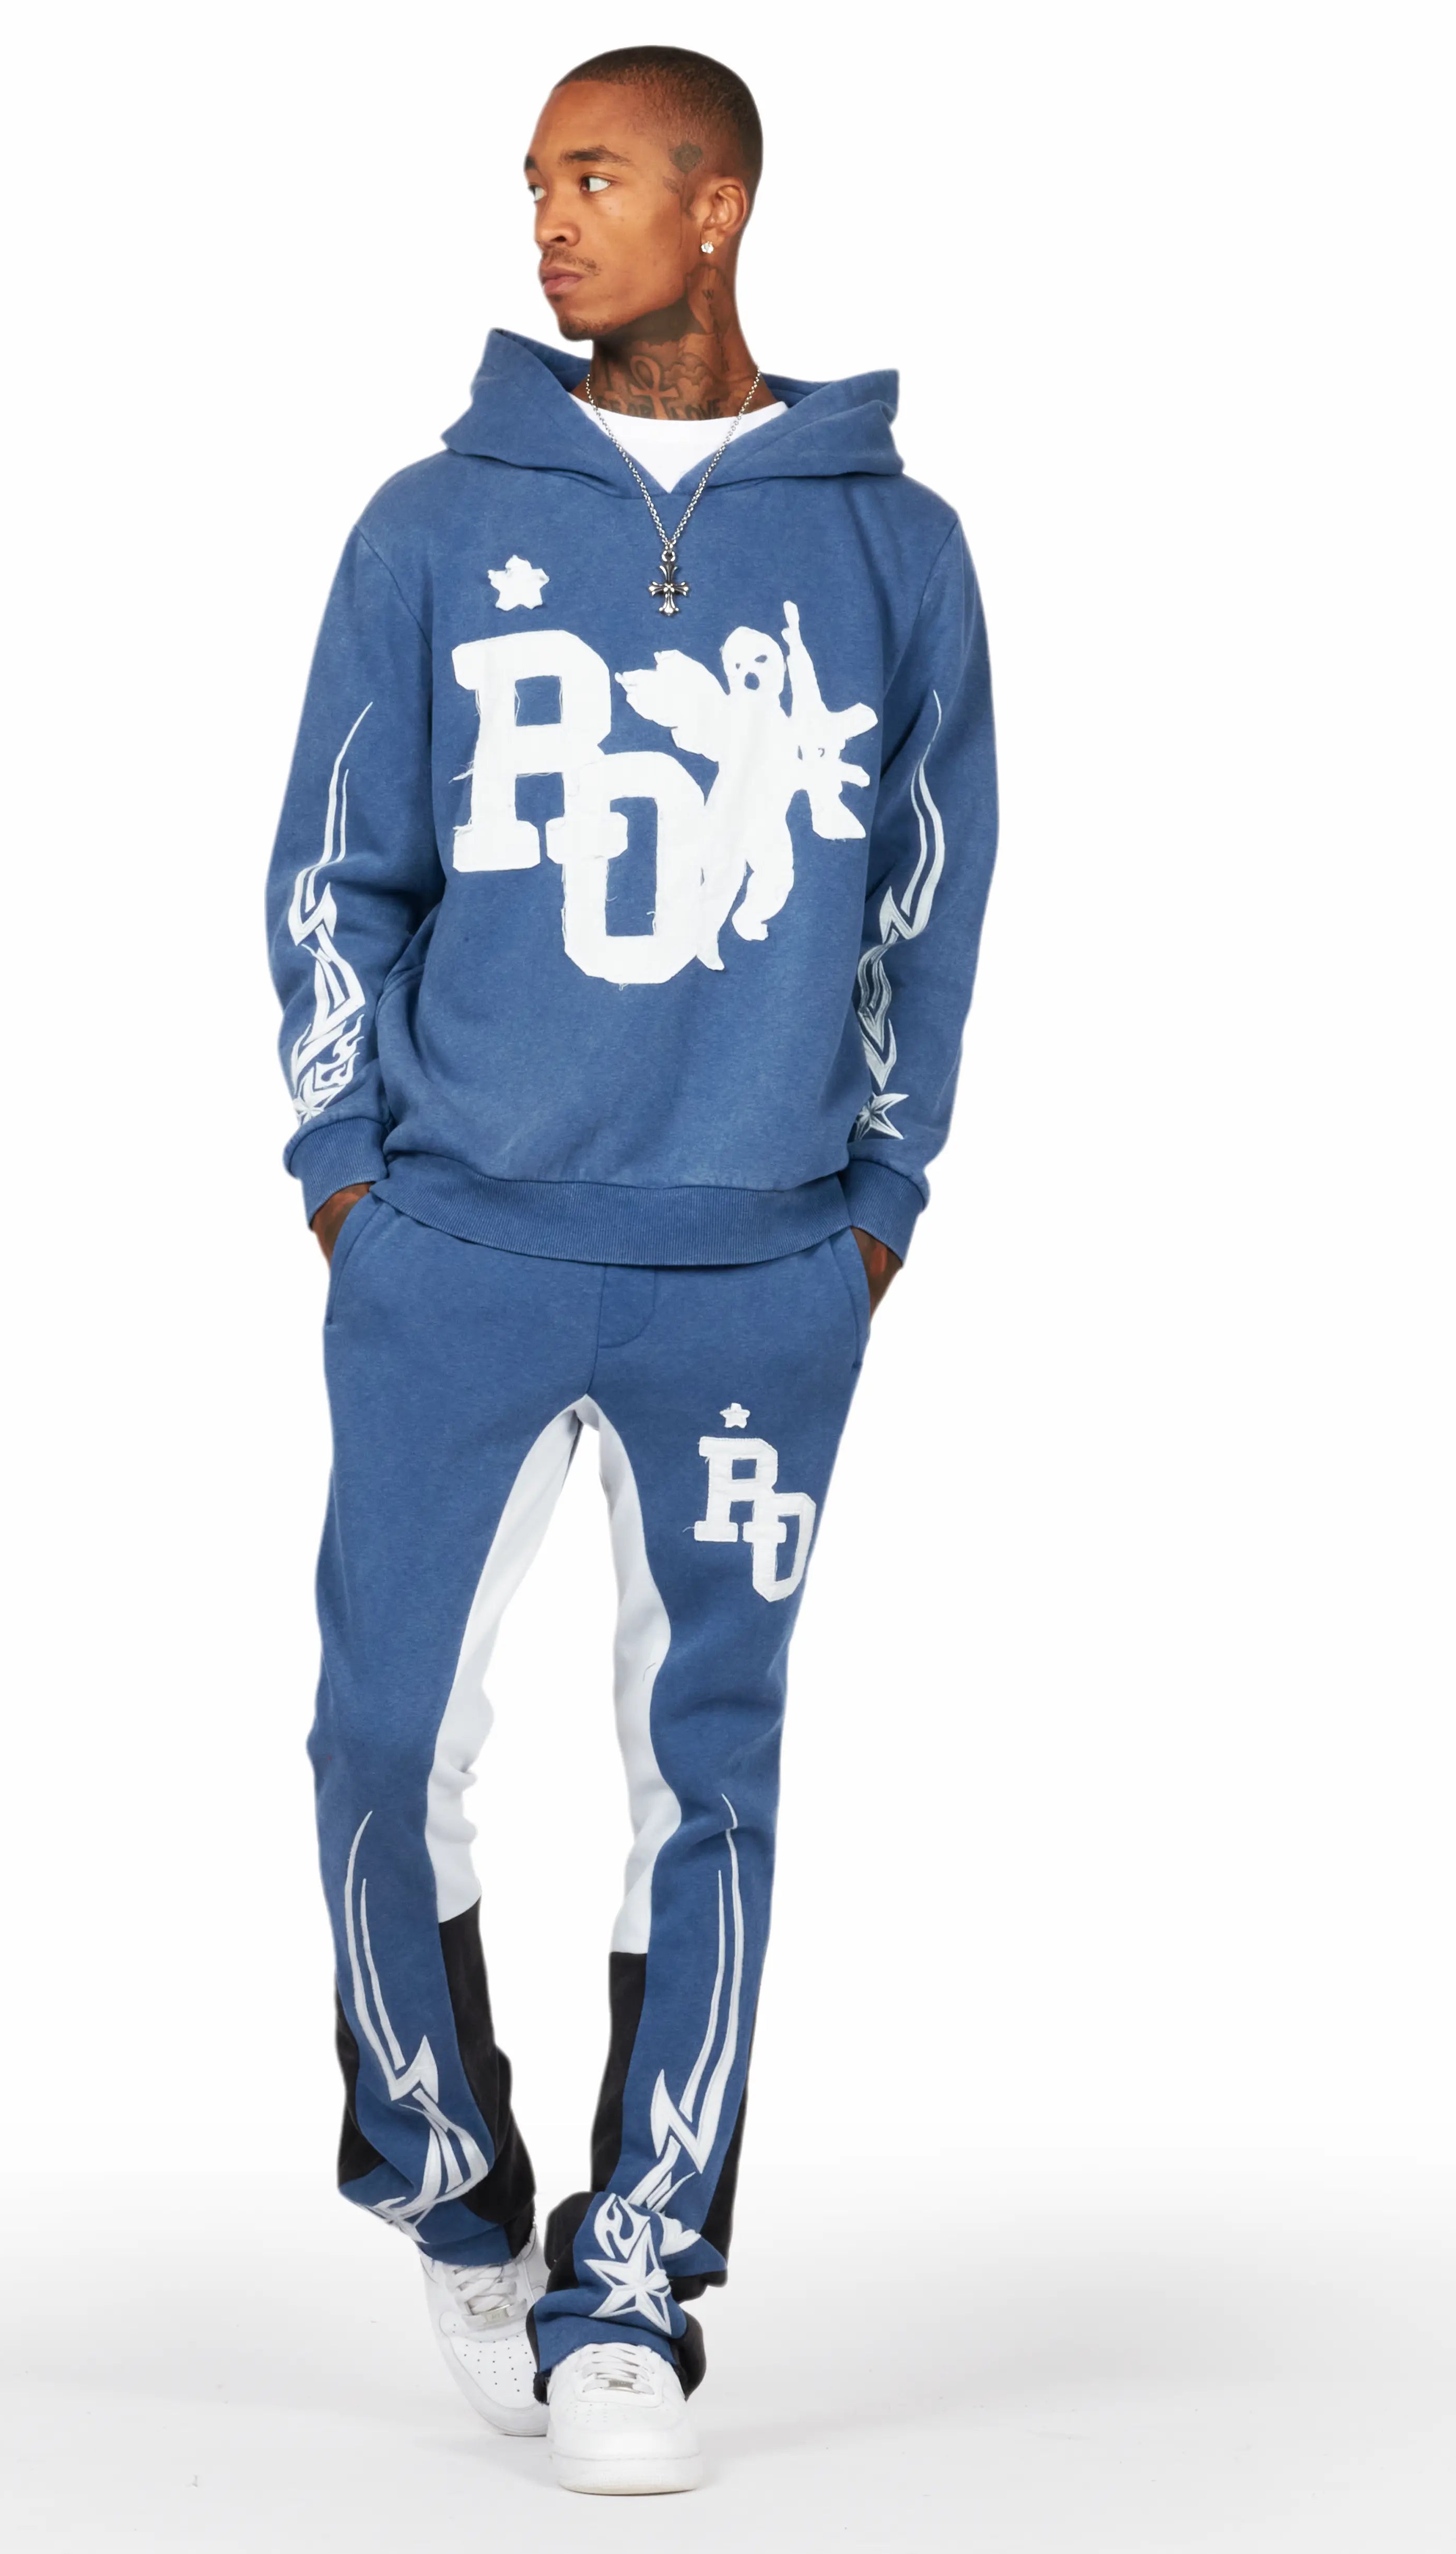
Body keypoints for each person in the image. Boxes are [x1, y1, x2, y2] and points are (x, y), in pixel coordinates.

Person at [265, 42, 997, 2496]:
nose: (546, 221)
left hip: (754, 1275)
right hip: (452, 1249)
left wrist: (871, 1206)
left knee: (708, 1781)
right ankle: (449, 2176)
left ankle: (639, 2279)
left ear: (718, 206)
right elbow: (334, 864)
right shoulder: (425, 524)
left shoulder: (892, 547)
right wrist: (346, 1175)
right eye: (532, 182)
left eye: (593, 177)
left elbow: (927, 893)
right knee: (381, 1743)